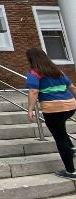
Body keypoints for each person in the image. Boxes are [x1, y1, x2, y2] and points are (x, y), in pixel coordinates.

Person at [26, 47, 76, 180]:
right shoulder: (57, 71)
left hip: (53, 108)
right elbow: (71, 87)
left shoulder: (34, 73)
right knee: (61, 130)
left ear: (30, 59)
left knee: (59, 138)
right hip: (70, 106)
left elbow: (33, 91)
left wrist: (30, 109)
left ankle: (70, 171)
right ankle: (71, 147)